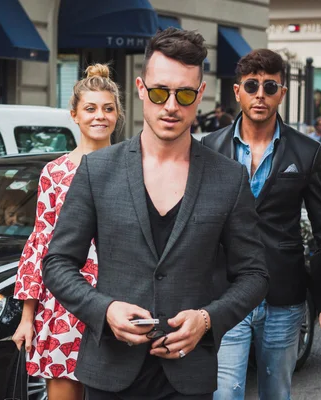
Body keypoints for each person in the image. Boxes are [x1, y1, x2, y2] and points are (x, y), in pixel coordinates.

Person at [42, 28, 269, 399]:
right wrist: (106, 309)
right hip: (110, 372)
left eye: (183, 95)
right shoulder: (98, 171)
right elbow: (57, 263)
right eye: (160, 92)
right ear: (141, 88)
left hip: (189, 374)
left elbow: (254, 274)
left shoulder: (228, 178)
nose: (170, 106)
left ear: (200, 95)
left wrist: (208, 320)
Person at [201, 49, 321, 400]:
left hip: (283, 295)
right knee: (225, 392)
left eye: (270, 86)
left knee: (276, 392)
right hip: (227, 292)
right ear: (237, 91)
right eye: (252, 85)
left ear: (282, 93)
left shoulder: (306, 152)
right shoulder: (210, 148)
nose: (260, 94)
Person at [12, 63, 123, 399]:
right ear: (74, 115)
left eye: (108, 108)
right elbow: (40, 240)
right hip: (62, 304)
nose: (99, 116)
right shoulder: (54, 172)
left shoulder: (135, 167)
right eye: (90, 108)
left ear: (118, 114)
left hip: (119, 299)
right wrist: (27, 316)